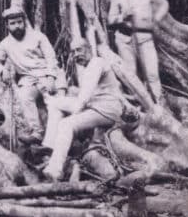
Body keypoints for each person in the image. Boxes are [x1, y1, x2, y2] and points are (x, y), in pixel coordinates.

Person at [40, 39, 125, 181]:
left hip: (106, 110)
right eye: (73, 52)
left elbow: (84, 97)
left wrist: (75, 115)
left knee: (66, 124)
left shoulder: (96, 62)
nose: (76, 54)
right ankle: (49, 146)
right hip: (96, 105)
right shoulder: (90, 66)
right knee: (55, 104)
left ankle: (55, 170)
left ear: (89, 49)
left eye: (79, 50)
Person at [0, 7, 62, 141]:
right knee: (24, 97)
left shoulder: (38, 36)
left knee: (53, 103)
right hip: (28, 80)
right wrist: (2, 70)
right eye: (13, 23)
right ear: (7, 25)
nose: (17, 26)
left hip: (46, 75)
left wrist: (51, 77)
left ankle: (55, 139)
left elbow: (51, 58)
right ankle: (37, 133)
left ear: (24, 21)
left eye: (19, 22)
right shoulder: (5, 44)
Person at [107, 0, 169, 104]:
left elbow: (164, 4)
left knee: (153, 74)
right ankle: (140, 107)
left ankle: (159, 104)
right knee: (132, 75)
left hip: (145, 37)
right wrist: (122, 17)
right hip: (125, 39)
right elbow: (110, 20)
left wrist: (156, 19)